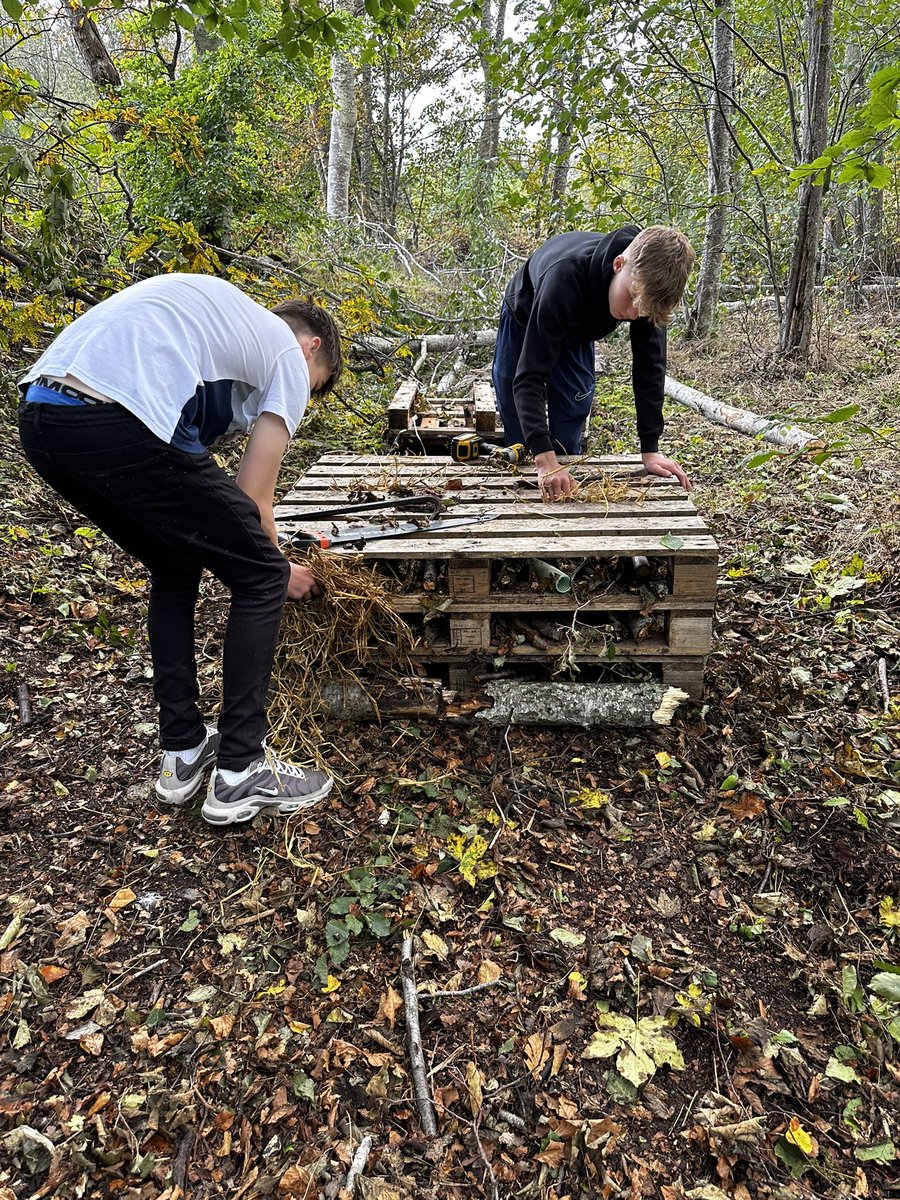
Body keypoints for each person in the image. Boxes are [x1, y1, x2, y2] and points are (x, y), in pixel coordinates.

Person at [18, 272, 343, 827]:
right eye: (316, 388)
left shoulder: (218, 330)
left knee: (174, 560)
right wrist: (276, 564)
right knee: (263, 576)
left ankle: (184, 749)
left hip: (42, 416)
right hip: (116, 412)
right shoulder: (286, 356)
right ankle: (241, 770)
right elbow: (253, 495)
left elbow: (195, 485)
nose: (303, 399)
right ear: (311, 348)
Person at [491, 224, 696, 500]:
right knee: (520, 427)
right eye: (631, 299)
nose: (633, 313)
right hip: (526, 317)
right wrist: (544, 459)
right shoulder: (565, 277)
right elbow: (529, 376)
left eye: (643, 309)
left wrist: (650, 449)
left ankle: (563, 481)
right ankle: (526, 491)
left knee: (570, 417)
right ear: (618, 264)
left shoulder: (648, 288)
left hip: (577, 330)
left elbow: (650, 369)